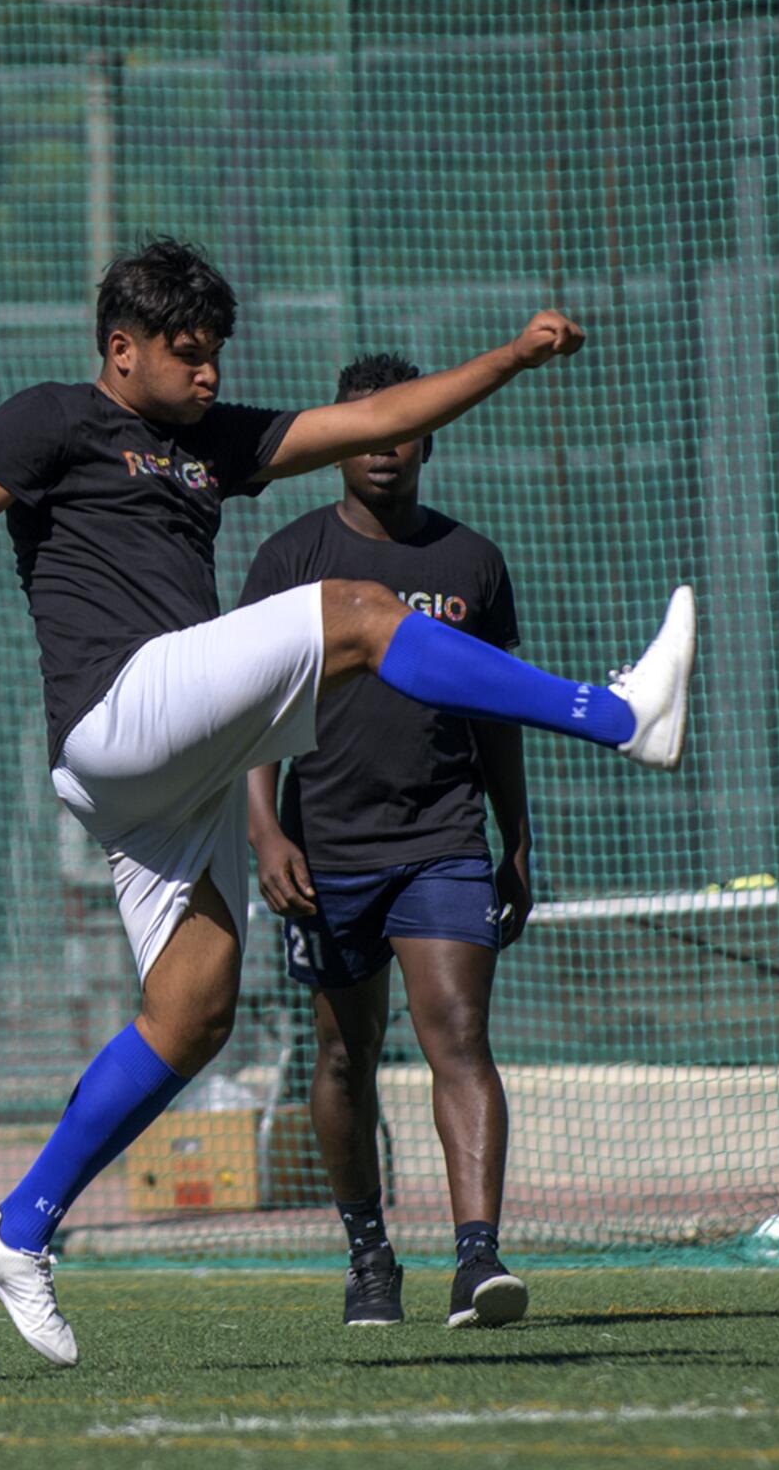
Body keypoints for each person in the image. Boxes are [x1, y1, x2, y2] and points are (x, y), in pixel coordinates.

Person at [0, 238, 694, 1367]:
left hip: (171, 761)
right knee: (358, 609)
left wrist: (509, 358)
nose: (207, 374)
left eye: (215, 354)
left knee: (193, 1011)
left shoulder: (215, 442)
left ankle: (17, 1224)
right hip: (119, 710)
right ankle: (612, 713)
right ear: (120, 348)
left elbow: (375, 416)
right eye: (185, 354)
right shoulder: (52, 417)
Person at [242, 351, 529, 1332]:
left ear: (427, 437)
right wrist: (265, 829)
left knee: (458, 1034)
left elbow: (497, 713)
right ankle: (369, 1258)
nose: (383, 445)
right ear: (337, 441)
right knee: (341, 1053)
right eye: (364, 427)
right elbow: (251, 709)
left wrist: (516, 839)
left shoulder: (470, 562)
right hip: (322, 851)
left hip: (443, 836)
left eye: (402, 426)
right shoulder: (289, 560)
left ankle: (477, 1257)